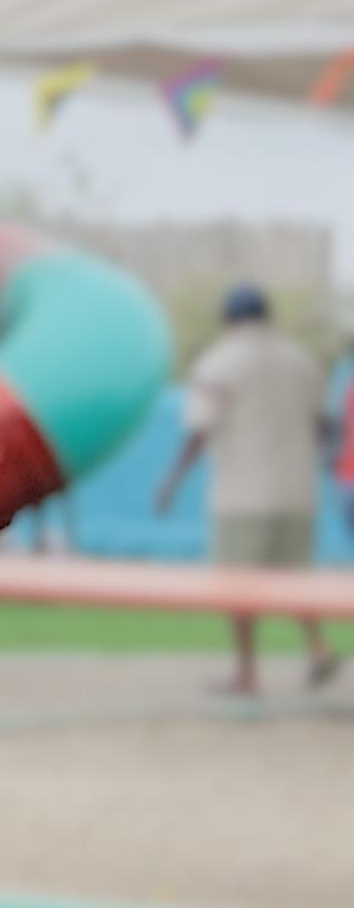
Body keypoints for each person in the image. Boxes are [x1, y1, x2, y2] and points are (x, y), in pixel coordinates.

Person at [155, 281, 338, 693]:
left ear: (227, 318)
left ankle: (247, 672)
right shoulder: (302, 359)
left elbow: (199, 429)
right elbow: (324, 425)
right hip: (298, 491)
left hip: (242, 493)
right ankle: (319, 649)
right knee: (297, 579)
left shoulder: (220, 362)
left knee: (238, 586)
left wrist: (171, 481)